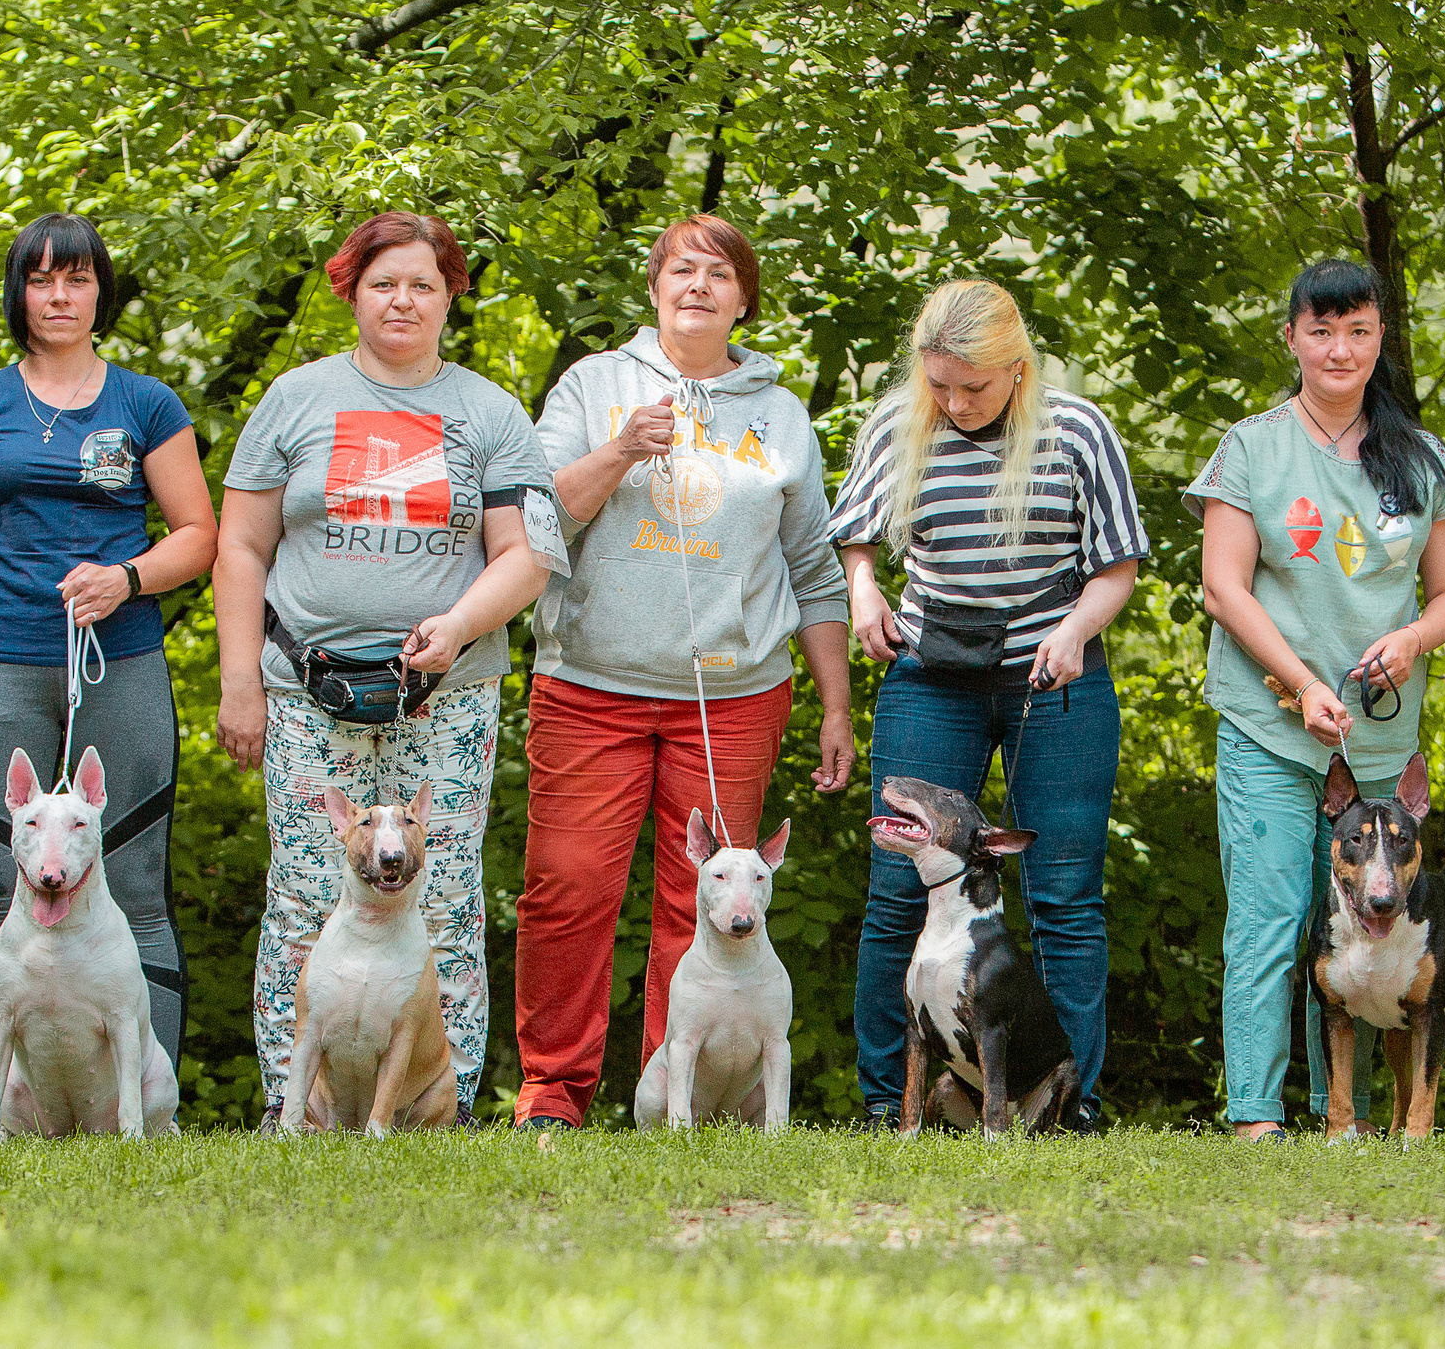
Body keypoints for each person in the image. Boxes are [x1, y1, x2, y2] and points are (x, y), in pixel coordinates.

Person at [217, 210, 557, 1126]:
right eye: (383, 283)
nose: (402, 300)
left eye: (422, 283)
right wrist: (240, 680)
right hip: (306, 690)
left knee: (441, 895)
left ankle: (441, 1109)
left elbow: (525, 555)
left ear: (450, 295)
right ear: (351, 291)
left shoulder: (489, 411)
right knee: (302, 893)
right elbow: (240, 545)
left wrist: (458, 623)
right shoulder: (295, 399)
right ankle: (295, 1109)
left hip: (447, 694)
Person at [513, 214, 852, 1130]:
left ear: (744, 300)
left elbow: (815, 570)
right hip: (591, 685)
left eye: (719, 274)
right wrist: (621, 448)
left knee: (702, 893)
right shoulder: (593, 386)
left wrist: (836, 705)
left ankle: (676, 1103)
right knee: (568, 889)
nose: (698, 284)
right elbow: (535, 523)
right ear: (656, 287)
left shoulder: (781, 415)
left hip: (733, 696)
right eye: (682, 269)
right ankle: (552, 1095)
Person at [833, 278, 1148, 1131]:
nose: (955, 402)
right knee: (897, 889)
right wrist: (864, 591)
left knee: (1064, 895)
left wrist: (1076, 629)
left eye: (973, 386)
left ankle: (1067, 1103)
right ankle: (885, 1100)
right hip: (931, 676)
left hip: (1056, 678)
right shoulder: (898, 425)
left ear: (1018, 368)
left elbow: (1118, 565)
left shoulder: (1077, 430)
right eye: (939, 384)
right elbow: (855, 536)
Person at [0, 213, 218, 1080]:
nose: (59, 296)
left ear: (99, 292)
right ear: (19, 292)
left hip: (120, 662)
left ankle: (146, 1106)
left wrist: (128, 577)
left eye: (77, 278)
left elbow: (199, 534)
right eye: (41, 279)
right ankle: (6, 1111)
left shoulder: (145, 404)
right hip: (0, 659)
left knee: (135, 881)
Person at [1184, 260, 1445, 1142]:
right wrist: (1305, 683)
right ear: (1292, 339)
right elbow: (1222, 588)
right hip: (1270, 726)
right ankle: (1256, 1113)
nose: (1339, 348)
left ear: (1381, 337)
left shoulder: (1422, 458)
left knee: (1362, 922)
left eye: (1357, 330)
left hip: (1375, 742)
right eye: (1320, 331)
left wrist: (1412, 640)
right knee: (1273, 920)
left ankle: (1340, 1115)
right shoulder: (1252, 447)